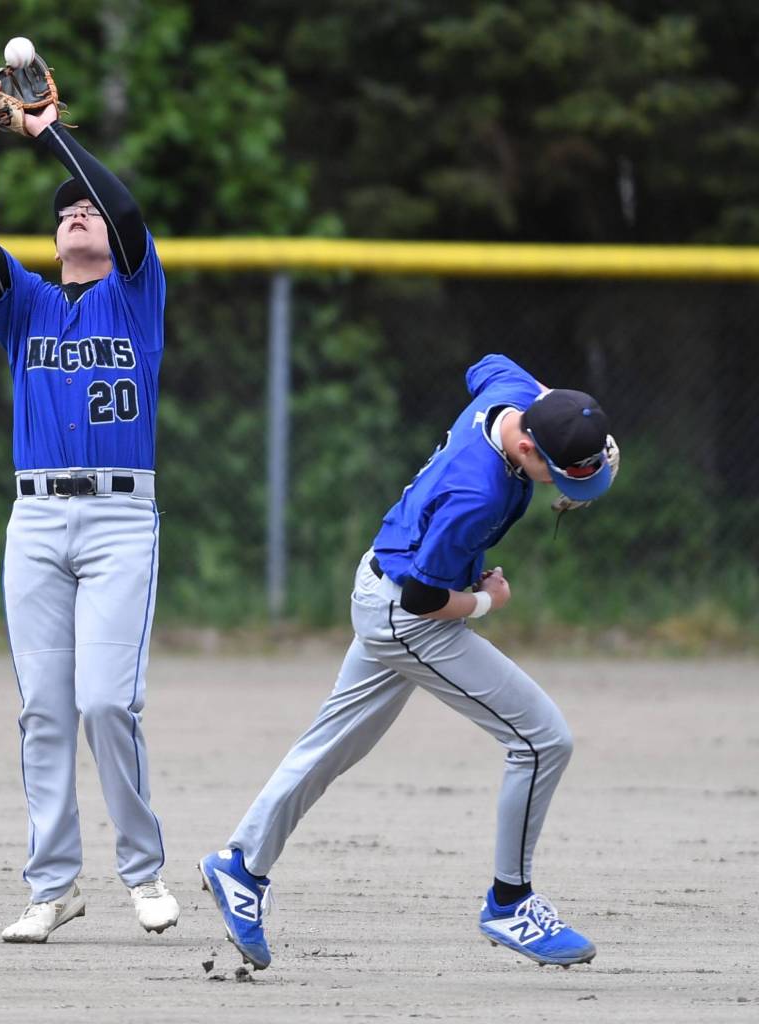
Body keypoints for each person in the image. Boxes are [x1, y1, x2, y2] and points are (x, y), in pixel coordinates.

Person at [199, 353, 619, 969]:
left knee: (331, 745)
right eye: (559, 472)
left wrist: (562, 411)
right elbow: (426, 599)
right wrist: (484, 601)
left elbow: (488, 364)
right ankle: (511, 902)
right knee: (541, 740)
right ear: (526, 446)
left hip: (379, 584)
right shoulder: (478, 492)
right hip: (406, 613)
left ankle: (240, 869)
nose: (563, 485)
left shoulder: (511, 395)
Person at [0, 65, 178, 942]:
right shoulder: (30, 307)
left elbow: (124, 212)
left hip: (122, 520)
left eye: (78, 207)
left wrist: (45, 131)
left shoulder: (136, 294)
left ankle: (143, 872)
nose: (74, 214)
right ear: (49, 245)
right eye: (60, 214)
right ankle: (53, 887)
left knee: (107, 703)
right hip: (37, 520)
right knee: (44, 706)